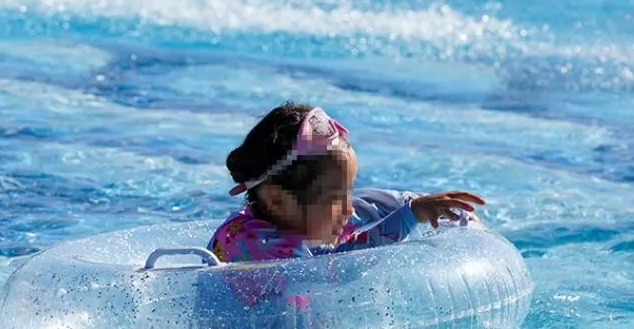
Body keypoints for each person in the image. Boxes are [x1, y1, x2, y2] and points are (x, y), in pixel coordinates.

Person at [207, 103, 484, 263]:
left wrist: (422, 206)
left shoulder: (298, 219)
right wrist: (409, 216)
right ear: (278, 200)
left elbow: (375, 211)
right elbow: (336, 266)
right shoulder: (257, 245)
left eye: (348, 191)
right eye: (335, 197)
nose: (349, 209)